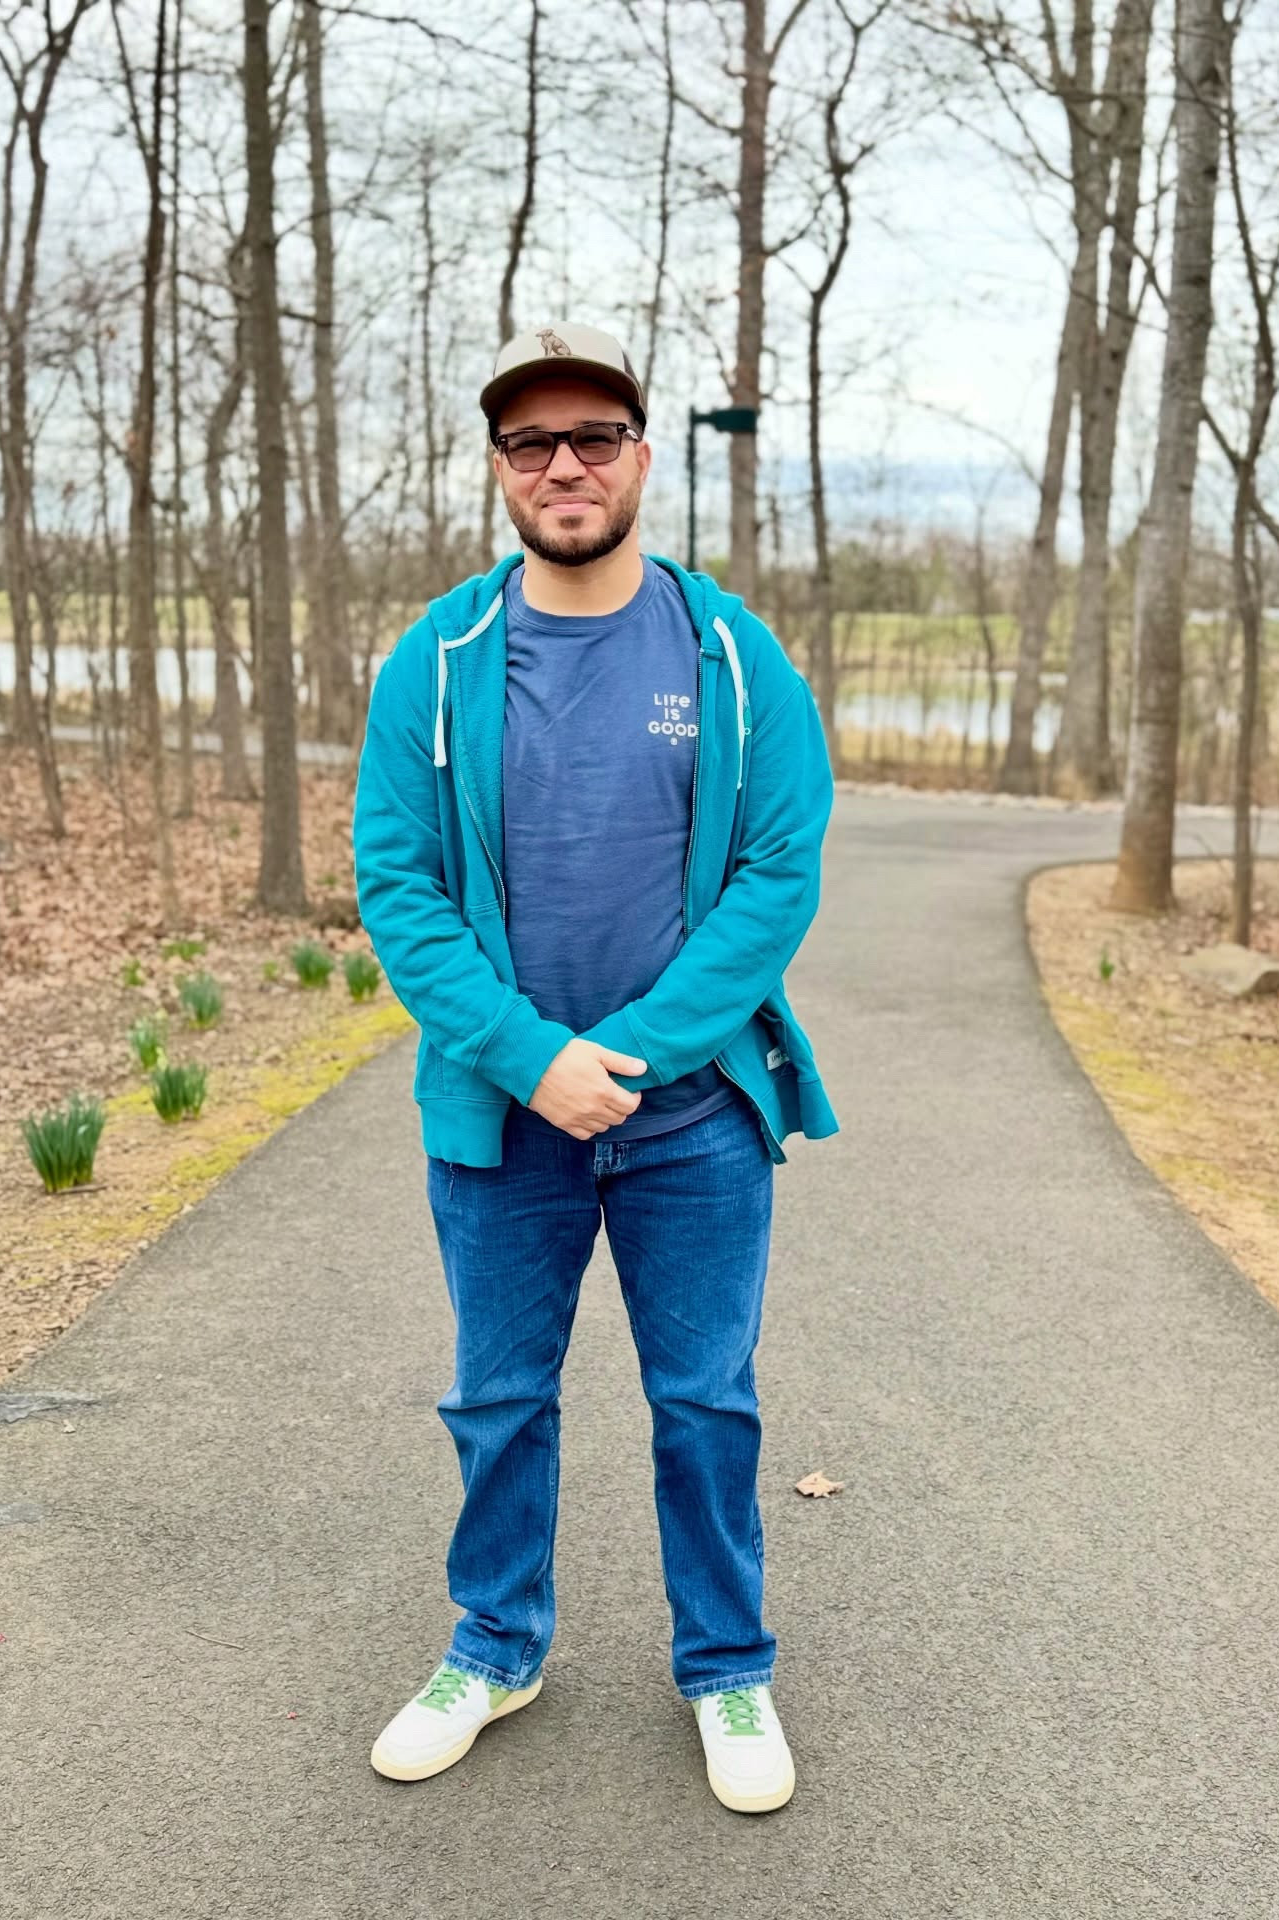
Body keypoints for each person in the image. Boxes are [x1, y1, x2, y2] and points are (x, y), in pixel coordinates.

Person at [352, 320, 838, 1815]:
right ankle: (495, 1647)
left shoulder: (732, 655)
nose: (563, 466)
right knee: (498, 1397)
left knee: (706, 1399)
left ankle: (726, 1665)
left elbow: (777, 873)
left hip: (694, 1118)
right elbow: (400, 886)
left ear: (639, 456)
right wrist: (530, 1058)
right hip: (502, 1124)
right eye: (529, 443)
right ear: (500, 469)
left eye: (594, 438)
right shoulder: (435, 664)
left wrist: (623, 1055)